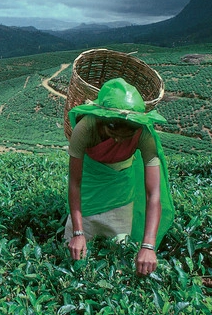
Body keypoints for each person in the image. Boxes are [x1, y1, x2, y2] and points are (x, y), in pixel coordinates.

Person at [64, 78, 174, 276]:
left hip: (120, 192)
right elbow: (75, 183)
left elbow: (153, 193)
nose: (118, 141)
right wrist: (78, 233)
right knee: (75, 257)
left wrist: (148, 246)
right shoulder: (85, 128)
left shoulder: (144, 134)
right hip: (89, 188)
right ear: (102, 121)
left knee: (119, 258)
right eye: (113, 134)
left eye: (126, 137)